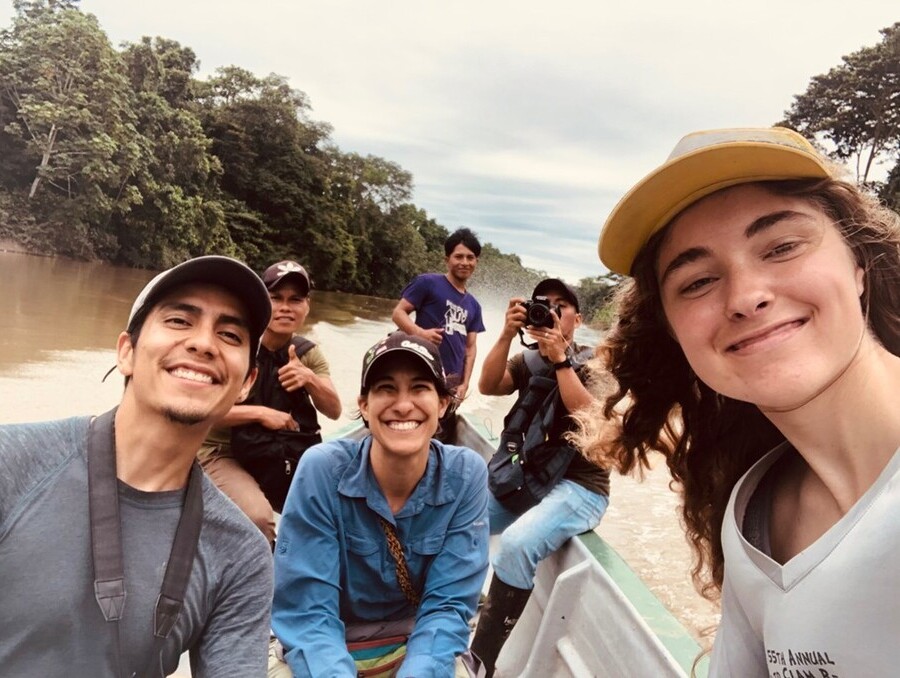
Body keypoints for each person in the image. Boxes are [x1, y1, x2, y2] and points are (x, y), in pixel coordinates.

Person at [580, 127, 900, 676]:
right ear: (675, 334)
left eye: (781, 247)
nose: (747, 297)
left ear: (858, 266)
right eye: (699, 281)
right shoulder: (750, 514)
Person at [0, 255, 276, 676]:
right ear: (126, 352)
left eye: (229, 334)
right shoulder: (11, 462)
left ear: (247, 384)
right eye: (180, 321)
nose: (204, 343)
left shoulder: (242, 556)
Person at [269, 331, 490, 678]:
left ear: (443, 404)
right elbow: (309, 613)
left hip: (416, 643)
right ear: (364, 405)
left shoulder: (465, 475)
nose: (403, 405)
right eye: (386, 388)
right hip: (328, 645)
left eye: (419, 388)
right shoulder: (323, 469)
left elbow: (447, 607)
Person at [470, 279, 611, 677]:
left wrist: (562, 361)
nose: (549, 312)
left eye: (560, 306)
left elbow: (592, 422)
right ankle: (448, 611)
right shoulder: (529, 361)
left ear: (577, 319)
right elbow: (488, 385)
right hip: (527, 479)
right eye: (541, 305)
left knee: (515, 544)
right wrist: (504, 334)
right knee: (461, 517)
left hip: (581, 487)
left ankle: (481, 663)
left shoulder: (598, 363)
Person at [198, 260, 342, 544]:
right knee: (258, 518)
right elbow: (201, 411)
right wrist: (260, 414)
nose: (285, 307)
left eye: (295, 300)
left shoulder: (306, 354)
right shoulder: (234, 344)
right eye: (276, 298)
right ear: (262, 302)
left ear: (307, 306)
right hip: (222, 451)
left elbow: (335, 410)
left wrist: (309, 379)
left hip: (276, 455)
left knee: (333, 512)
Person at [392, 227, 485, 438]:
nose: (464, 262)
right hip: (419, 371)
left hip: (450, 383)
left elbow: (470, 348)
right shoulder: (427, 283)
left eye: (470, 257)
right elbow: (398, 313)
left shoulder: (474, 306)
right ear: (447, 259)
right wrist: (420, 333)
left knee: (438, 437)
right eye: (458, 256)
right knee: (412, 429)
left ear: (476, 262)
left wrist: (465, 383)